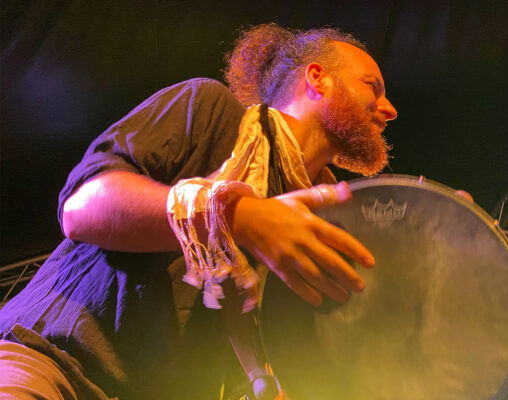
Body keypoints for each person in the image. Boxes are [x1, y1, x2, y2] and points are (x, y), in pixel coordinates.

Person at [0, 23, 397, 400]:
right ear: (317, 77)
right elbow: (80, 210)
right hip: (51, 362)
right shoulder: (210, 109)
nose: (389, 108)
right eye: (372, 86)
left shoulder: (321, 213)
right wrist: (236, 218)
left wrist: (448, 239)